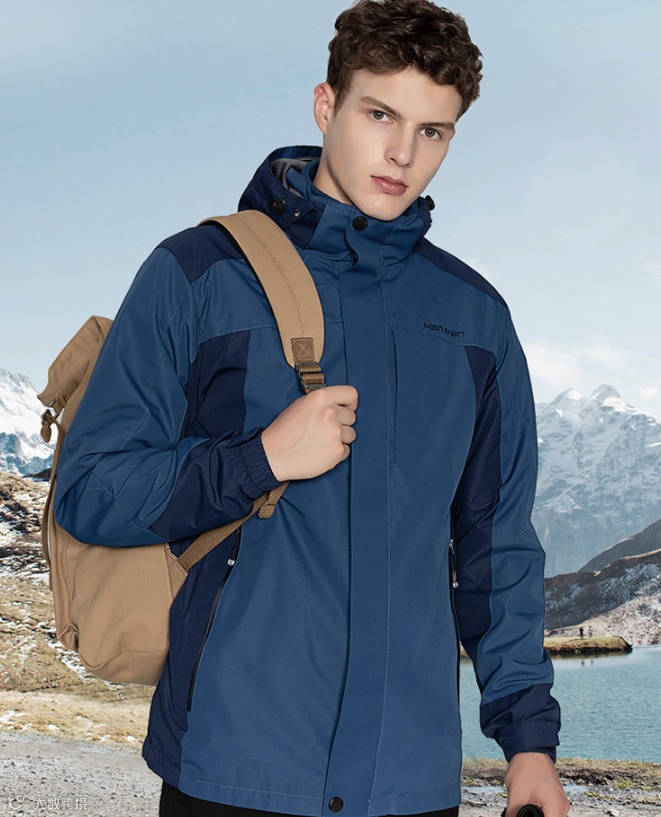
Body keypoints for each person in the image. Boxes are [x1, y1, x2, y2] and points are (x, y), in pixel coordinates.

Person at [54, 2, 570, 816]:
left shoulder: (476, 319)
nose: (402, 154)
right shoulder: (197, 273)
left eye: (432, 131)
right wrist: (258, 458)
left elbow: (496, 546)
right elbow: (90, 489)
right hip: (229, 767)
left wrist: (528, 742)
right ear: (326, 106)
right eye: (379, 115)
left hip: (409, 782)